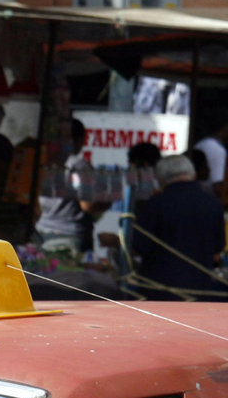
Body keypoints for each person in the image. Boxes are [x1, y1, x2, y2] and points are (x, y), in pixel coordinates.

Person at [132, 154, 227, 301]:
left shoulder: (156, 204)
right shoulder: (213, 203)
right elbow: (218, 248)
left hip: (158, 290)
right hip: (200, 289)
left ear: (161, 179)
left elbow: (139, 246)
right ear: (193, 174)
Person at [36, 117, 110, 253]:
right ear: (79, 141)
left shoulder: (46, 163)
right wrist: (107, 201)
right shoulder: (77, 166)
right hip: (69, 238)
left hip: (42, 233)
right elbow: (88, 205)